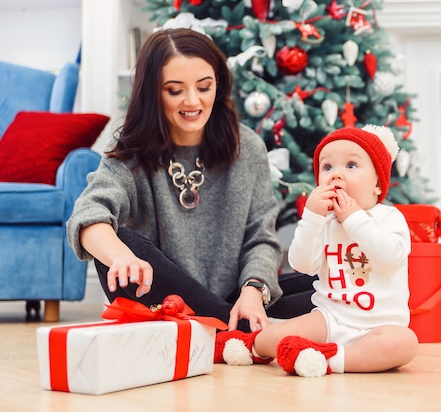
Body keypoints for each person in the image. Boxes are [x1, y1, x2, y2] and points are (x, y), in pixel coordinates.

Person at [66, 28, 314, 332]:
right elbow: (88, 215)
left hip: (235, 296)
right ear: (153, 92)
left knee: (324, 289)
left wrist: (253, 292)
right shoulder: (131, 152)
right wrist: (121, 257)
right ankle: (236, 329)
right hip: (166, 302)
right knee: (120, 241)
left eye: (204, 87)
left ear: (218, 86)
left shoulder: (246, 147)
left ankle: (228, 325)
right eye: (175, 90)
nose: (193, 101)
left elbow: (260, 237)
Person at [213, 125, 419, 377]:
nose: (336, 175)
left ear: (378, 183)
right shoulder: (324, 223)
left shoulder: (388, 217)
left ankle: (330, 358)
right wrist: (311, 218)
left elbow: (391, 256)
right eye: (327, 167)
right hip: (329, 319)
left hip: (379, 326)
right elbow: (303, 265)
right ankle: (249, 347)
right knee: (276, 335)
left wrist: (354, 219)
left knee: (404, 343)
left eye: (351, 165)